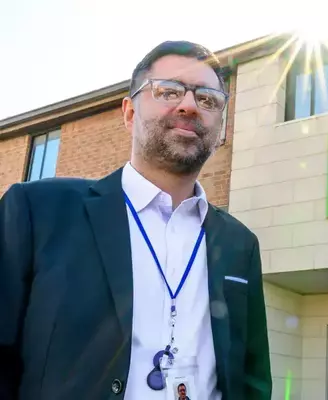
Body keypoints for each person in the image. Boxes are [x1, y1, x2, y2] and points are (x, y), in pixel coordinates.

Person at [0, 40, 272, 400]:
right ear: (129, 113)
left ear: (220, 124)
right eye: (169, 91)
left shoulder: (240, 243)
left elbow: (252, 378)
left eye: (208, 99)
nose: (190, 105)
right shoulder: (37, 211)